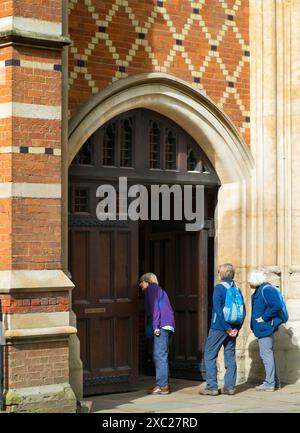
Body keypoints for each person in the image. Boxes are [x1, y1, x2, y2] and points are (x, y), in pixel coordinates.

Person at [199, 263, 245, 396]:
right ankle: (230, 387)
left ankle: (212, 387)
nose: (218, 274)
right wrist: (236, 328)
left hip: (219, 327)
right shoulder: (237, 288)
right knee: (230, 355)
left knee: (209, 354)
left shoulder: (219, 288)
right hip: (233, 328)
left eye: (218, 272)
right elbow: (243, 310)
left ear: (221, 274)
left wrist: (226, 328)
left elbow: (218, 310)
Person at [139, 273, 175, 395]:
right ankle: (164, 383)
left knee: (159, 355)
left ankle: (162, 386)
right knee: (162, 354)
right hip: (168, 324)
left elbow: (155, 307)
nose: (140, 285)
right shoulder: (159, 290)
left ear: (147, 281)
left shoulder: (151, 289)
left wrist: (156, 326)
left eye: (141, 282)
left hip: (161, 325)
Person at [248, 270, 282, 391]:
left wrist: (264, 317)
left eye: (249, 281)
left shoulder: (266, 289)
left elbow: (277, 306)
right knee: (269, 354)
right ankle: (275, 382)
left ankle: (269, 383)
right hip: (263, 328)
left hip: (265, 327)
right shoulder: (261, 289)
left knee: (266, 354)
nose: (248, 283)